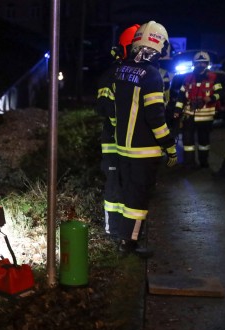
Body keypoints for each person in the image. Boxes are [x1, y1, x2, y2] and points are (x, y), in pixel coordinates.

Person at [112, 20, 177, 257]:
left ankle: (122, 237)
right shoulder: (151, 75)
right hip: (144, 151)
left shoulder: (121, 71)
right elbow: (156, 118)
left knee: (127, 194)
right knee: (138, 199)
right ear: (157, 44)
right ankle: (131, 243)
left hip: (123, 149)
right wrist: (169, 146)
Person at [95, 24, 139, 240]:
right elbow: (103, 106)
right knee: (114, 189)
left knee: (132, 188)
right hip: (114, 144)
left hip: (134, 146)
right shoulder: (111, 76)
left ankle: (129, 236)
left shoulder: (142, 75)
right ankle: (114, 233)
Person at [173, 51, 224, 168]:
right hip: (189, 115)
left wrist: (210, 98)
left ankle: (203, 163)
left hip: (206, 117)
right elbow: (181, 96)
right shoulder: (188, 78)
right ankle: (189, 163)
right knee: (188, 142)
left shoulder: (214, 78)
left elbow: (220, 93)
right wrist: (177, 110)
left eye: (203, 63)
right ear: (193, 64)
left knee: (204, 142)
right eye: (198, 63)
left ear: (207, 64)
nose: (200, 65)